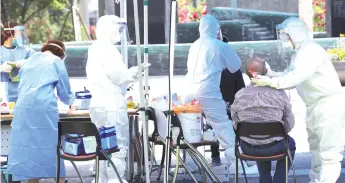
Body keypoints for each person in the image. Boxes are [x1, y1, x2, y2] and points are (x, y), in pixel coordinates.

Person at [251, 17, 345, 183]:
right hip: (314, 106)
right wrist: (270, 75)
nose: (286, 40)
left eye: (287, 36)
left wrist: (271, 82)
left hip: (328, 105)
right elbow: (288, 74)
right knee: (316, 151)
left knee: (329, 154)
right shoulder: (299, 53)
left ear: (297, 34)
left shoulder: (311, 51)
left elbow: (295, 78)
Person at [183, 14, 257, 174]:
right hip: (207, 89)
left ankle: (190, 163)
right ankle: (236, 163)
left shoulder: (193, 45)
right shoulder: (220, 45)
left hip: (188, 89)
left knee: (189, 127)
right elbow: (235, 66)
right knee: (222, 124)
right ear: (216, 29)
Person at [86, 15, 150, 183]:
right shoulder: (108, 50)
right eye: (118, 29)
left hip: (98, 105)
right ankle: (115, 180)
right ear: (109, 29)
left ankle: (101, 180)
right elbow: (118, 76)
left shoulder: (95, 47)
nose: (120, 33)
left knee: (103, 148)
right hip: (112, 105)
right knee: (117, 148)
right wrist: (135, 72)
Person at [6, 40, 75, 183]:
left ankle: (33, 181)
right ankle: (61, 180)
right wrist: (71, 103)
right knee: (50, 147)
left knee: (30, 150)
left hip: (22, 109)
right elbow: (65, 92)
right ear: (61, 54)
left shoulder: (29, 61)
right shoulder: (56, 61)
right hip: (43, 108)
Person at [232, 57, 296, 183]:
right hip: (276, 146)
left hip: (248, 148)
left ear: (246, 74)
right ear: (266, 71)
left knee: (256, 138)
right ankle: (279, 180)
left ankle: (265, 179)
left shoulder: (239, 95)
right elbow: (289, 124)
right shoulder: (279, 93)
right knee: (289, 144)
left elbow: (235, 124)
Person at [210, 36, 246, 166]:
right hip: (225, 107)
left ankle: (216, 156)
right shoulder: (233, 70)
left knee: (213, 125)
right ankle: (219, 155)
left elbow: (241, 92)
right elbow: (242, 91)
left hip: (228, 107)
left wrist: (231, 105)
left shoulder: (210, 69)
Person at [0, 21, 35, 102]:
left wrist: (25, 62)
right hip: (3, 95)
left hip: (22, 92)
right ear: (10, 33)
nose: (21, 36)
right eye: (19, 33)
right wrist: (1, 68)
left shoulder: (25, 50)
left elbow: (38, 59)